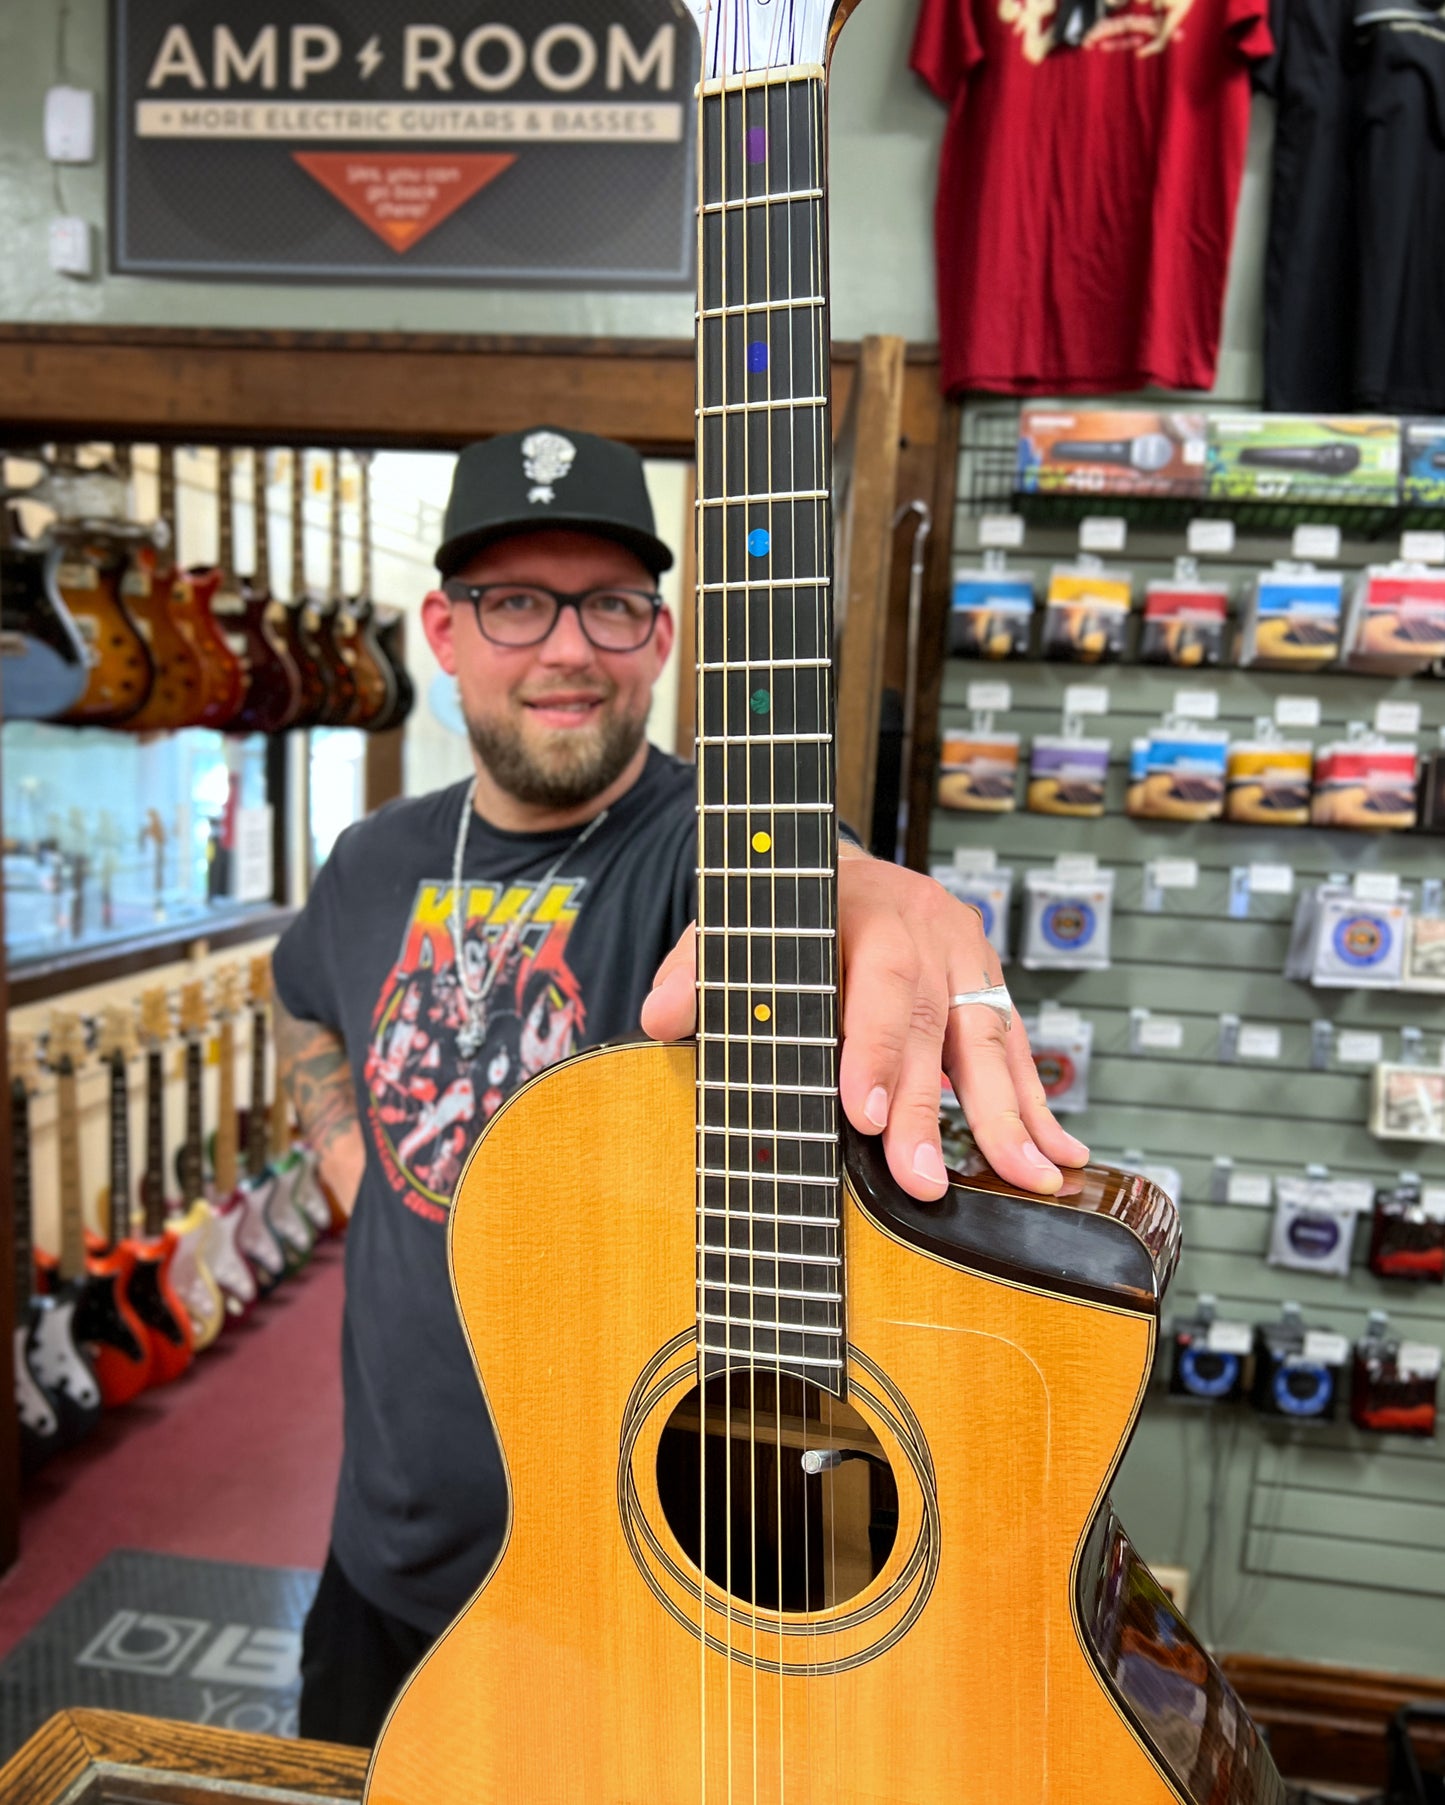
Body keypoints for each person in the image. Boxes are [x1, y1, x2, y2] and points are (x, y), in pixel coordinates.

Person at [272, 426, 1087, 1748]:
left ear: (659, 637)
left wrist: (881, 895)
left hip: (627, 1593)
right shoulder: (370, 860)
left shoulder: (702, 845)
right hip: (379, 1556)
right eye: (516, 601)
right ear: (444, 628)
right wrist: (347, 1154)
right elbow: (304, 997)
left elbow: (800, 883)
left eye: (610, 604)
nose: (566, 646)